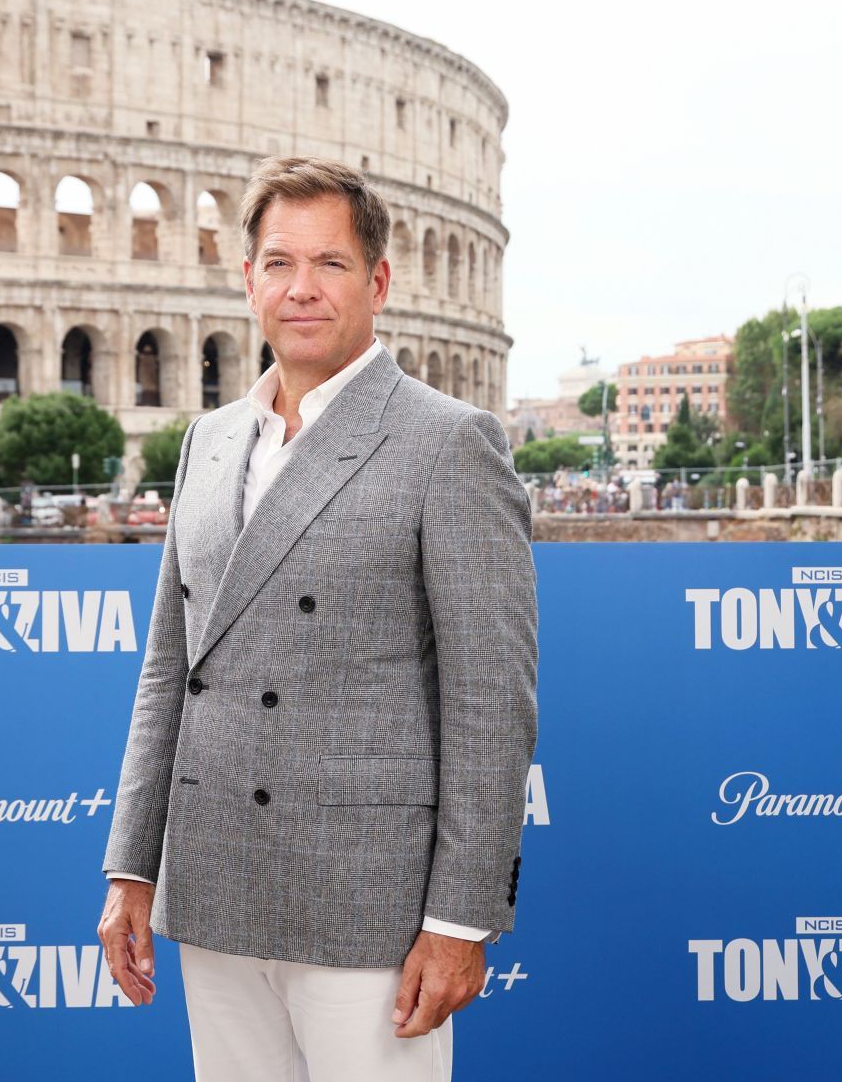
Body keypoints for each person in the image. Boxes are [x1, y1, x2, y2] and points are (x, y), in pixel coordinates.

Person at [99, 156, 538, 1081]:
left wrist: (460, 921)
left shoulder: (448, 440)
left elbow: (490, 704)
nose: (302, 288)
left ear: (377, 282)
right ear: (248, 280)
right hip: (215, 886)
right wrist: (132, 866)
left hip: (368, 903)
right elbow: (169, 670)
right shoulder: (208, 442)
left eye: (331, 264)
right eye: (279, 263)